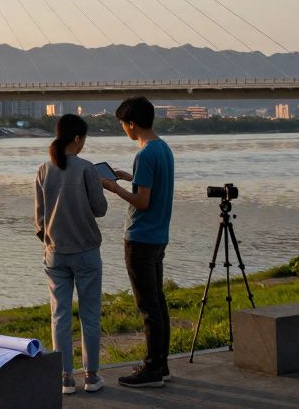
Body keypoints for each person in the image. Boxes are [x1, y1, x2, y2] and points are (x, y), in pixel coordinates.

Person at [100, 95, 174, 388]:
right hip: (159, 237)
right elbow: (152, 187)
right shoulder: (162, 148)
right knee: (159, 304)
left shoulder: (144, 153)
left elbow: (142, 202)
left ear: (132, 123)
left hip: (141, 238)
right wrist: (127, 177)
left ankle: (152, 370)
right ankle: (161, 364)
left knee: (147, 307)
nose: (124, 130)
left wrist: (112, 187)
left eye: (123, 124)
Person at [34, 113, 108, 395]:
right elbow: (100, 209)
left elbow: (39, 220)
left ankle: (65, 377)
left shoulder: (43, 169)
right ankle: (91, 376)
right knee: (89, 315)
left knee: (59, 315)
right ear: (77, 139)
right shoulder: (88, 169)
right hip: (86, 251)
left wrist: (49, 241)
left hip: (55, 253)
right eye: (84, 139)